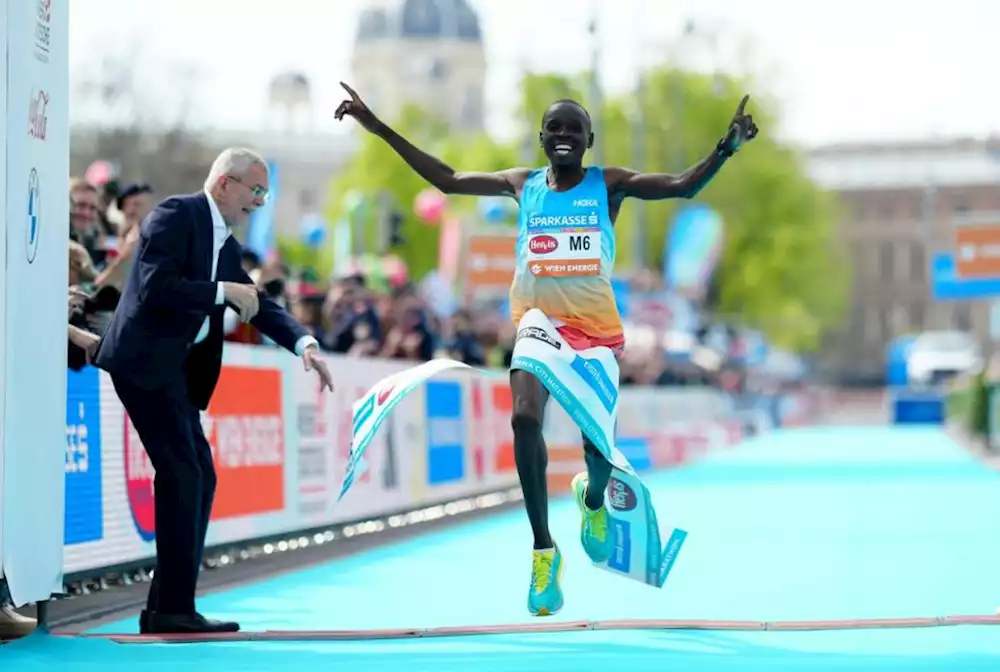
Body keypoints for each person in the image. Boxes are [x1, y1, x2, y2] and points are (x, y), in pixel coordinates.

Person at [335, 82, 756, 616]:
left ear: (588, 140)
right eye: (553, 128)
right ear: (541, 137)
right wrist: (376, 126)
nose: (562, 136)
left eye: (572, 130)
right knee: (525, 419)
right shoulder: (522, 184)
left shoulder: (610, 186)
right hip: (537, 324)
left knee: (597, 451)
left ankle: (594, 499)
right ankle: (542, 549)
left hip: (597, 333)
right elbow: (446, 178)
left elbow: (680, 186)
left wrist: (726, 148)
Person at [93, 148, 335, 634]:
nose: (262, 202)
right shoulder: (174, 215)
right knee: (184, 473)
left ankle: (166, 604)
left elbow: (256, 302)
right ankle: (172, 609)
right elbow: (156, 286)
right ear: (225, 184)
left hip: (173, 372)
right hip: (143, 364)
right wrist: (223, 292)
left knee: (198, 474)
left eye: (267, 193)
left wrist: (304, 343)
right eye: (256, 191)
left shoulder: (221, 240)